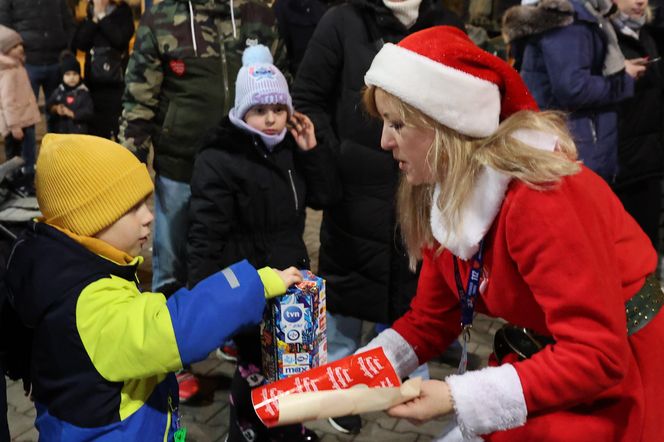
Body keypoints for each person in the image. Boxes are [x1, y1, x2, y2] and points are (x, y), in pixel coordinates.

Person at [351, 25, 664, 441]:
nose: (384, 141)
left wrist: (453, 397)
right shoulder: (443, 190)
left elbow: (597, 354)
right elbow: (431, 319)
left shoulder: (541, 198)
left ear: (445, 124)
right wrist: (355, 374)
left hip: (617, 382)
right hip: (550, 361)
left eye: (396, 124)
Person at [3, 133, 303, 441]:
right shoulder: (89, 300)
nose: (148, 217)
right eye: (132, 208)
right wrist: (256, 283)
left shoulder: (67, 268)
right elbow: (172, 329)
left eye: (146, 203)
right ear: (89, 220)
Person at [291, 0, 463, 433]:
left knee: (412, 283)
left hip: (423, 186)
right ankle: (340, 391)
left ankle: (399, 375)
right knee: (346, 293)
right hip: (354, 188)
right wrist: (333, 159)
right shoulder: (342, 20)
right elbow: (309, 94)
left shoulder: (444, 23)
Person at [187, 43, 337, 442]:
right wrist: (203, 298)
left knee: (291, 373)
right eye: (260, 110)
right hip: (250, 286)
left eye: (278, 109)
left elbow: (323, 195)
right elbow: (205, 230)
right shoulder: (220, 156)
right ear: (241, 111)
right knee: (254, 369)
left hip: (292, 284)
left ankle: (290, 433)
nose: (271, 119)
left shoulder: (289, 147)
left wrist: (311, 152)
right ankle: (246, 434)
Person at [502, 0, 644, 182]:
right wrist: (623, 82)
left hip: (573, 142)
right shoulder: (570, 21)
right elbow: (573, 88)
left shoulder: (581, 16)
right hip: (574, 145)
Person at [610, 0, 664, 249]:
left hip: (649, 162)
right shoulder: (603, 37)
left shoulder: (647, 35)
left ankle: (650, 290)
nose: (640, 0)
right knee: (620, 254)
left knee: (646, 252)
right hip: (618, 168)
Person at [0, 0, 75, 134]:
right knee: (25, 119)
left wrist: (67, 48)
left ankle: (56, 153)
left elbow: (68, 21)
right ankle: (27, 155)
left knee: (58, 115)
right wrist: (15, 52)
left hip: (55, 60)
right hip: (26, 63)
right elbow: (4, 26)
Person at [71, 0, 135, 139]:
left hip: (115, 82)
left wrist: (102, 16)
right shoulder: (89, 11)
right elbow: (80, 42)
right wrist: (94, 19)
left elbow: (119, 39)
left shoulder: (123, 11)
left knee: (116, 128)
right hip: (93, 84)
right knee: (95, 132)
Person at [0, 25, 40, 195]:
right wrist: (14, 125)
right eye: (14, 46)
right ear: (5, 51)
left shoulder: (17, 66)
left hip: (26, 119)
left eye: (20, 45)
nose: (20, 48)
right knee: (19, 157)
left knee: (27, 155)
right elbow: (7, 102)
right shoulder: (8, 72)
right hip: (17, 124)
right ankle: (18, 185)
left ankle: (23, 184)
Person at [46, 53, 94, 135]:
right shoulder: (58, 92)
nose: (72, 77)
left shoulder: (83, 92)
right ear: (62, 76)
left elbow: (89, 112)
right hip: (61, 134)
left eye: (75, 74)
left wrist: (73, 114)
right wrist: (56, 108)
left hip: (78, 135)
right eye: (68, 74)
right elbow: (49, 107)